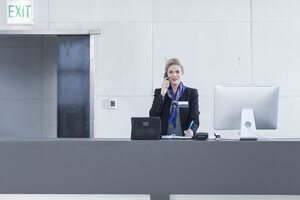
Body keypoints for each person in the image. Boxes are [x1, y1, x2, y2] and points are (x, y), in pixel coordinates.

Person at [149, 58, 200, 137]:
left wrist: (192, 130)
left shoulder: (191, 93)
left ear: (182, 73)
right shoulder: (160, 92)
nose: (174, 75)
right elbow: (153, 115)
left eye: (177, 72)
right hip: (164, 140)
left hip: (184, 139)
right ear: (166, 75)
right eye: (170, 72)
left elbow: (195, 118)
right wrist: (162, 94)